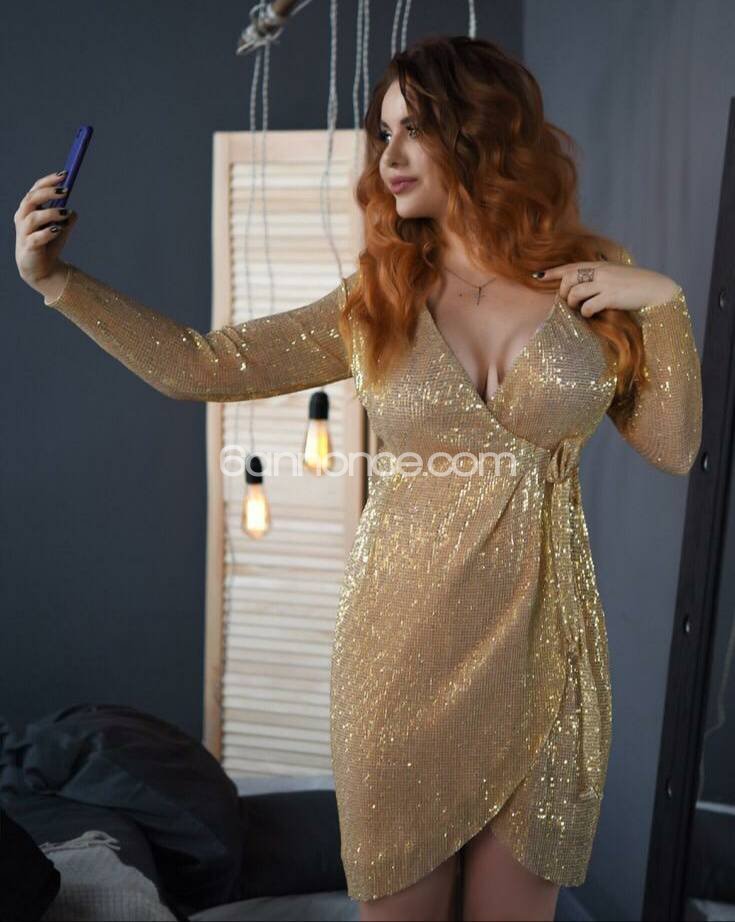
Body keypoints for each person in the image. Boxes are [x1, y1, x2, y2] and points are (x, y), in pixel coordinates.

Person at [15, 35, 702, 922]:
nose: (389, 156)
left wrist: (664, 303)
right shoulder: (374, 299)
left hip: (548, 664)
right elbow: (200, 364)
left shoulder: (590, 287)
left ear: (481, 129)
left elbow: (672, 447)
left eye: (415, 128)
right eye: (383, 132)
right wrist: (58, 282)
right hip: (400, 658)